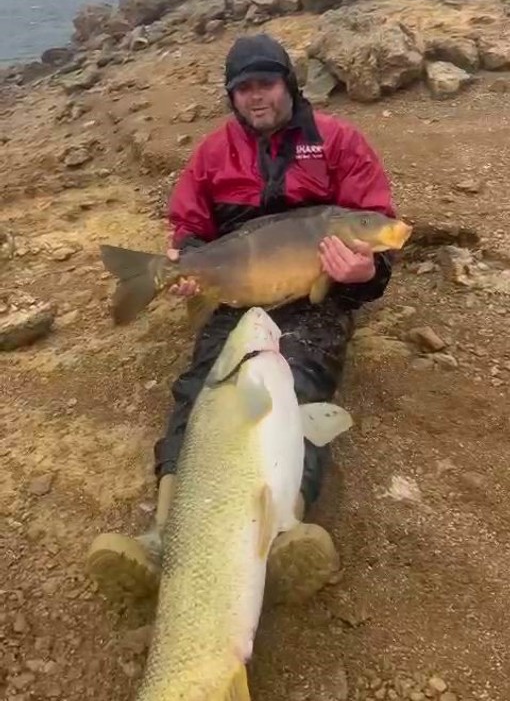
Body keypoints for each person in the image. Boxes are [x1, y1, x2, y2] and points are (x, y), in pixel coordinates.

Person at [86, 33, 396, 608]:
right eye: (244, 88)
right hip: (232, 293)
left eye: (266, 84)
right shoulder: (211, 154)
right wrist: (182, 266)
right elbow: (190, 229)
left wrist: (362, 276)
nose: (256, 98)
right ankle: (162, 538)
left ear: (289, 84)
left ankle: (283, 534)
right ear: (232, 97)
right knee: (201, 393)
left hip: (314, 302)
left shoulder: (339, 142)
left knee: (292, 389)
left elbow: (378, 236)